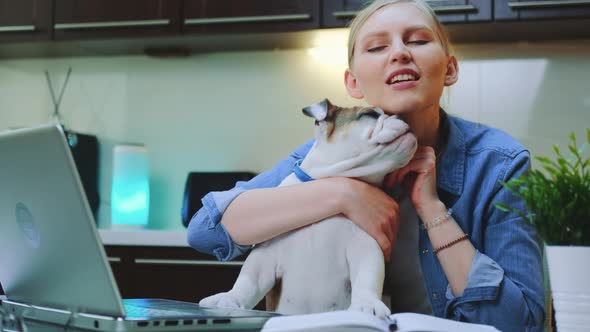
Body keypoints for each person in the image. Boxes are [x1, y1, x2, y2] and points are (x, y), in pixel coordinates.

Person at [187, 0, 545, 331]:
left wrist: (433, 209)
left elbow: (519, 323)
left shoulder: (499, 164)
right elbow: (206, 229)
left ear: (450, 70)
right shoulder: (329, 153)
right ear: (353, 83)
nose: (400, 53)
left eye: (418, 41)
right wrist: (343, 194)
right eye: (377, 47)